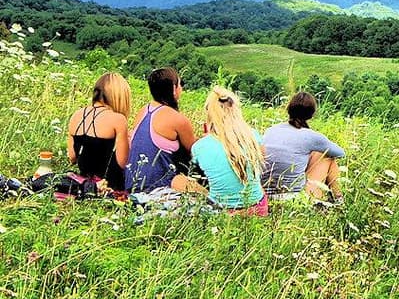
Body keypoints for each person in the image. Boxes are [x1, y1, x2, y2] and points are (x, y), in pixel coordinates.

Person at [191, 86, 268, 215]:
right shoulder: (253, 136)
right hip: (258, 207)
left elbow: (199, 174)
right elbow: (261, 163)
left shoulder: (200, 147)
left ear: (209, 114)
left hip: (222, 212)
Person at [262, 91, 345, 202]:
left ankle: (336, 199)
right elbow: (340, 153)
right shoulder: (311, 136)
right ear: (311, 114)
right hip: (293, 198)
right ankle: (339, 200)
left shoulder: (270, 130)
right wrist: (316, 150)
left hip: (264, 194)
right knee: (327, 156)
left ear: (289, 109)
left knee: (312, 153)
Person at [126, 67, 198, 193]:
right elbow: (196, 151)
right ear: (174, 89)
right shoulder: (177, 119)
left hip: (131, 185)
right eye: (180, 84)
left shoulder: (143, 111)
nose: (181, 88)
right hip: (157, 188)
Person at [66, 72, 132, 193]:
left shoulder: (76, 115)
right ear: (119, 96)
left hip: (83, 183)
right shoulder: (118, 119)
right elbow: (123, 163)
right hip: (109, 185)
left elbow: (72, 157)